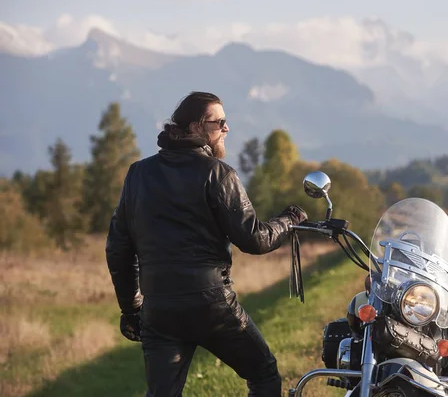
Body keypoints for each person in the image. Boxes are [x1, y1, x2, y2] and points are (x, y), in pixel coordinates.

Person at [105, 91, 308, 397]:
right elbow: (254, 239)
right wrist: (289, 220)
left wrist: (131, 308)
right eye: (219, 122)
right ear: (195, 127)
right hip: (210, 302)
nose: (226, 128)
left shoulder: (138, 173)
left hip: (159, 306)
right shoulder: (218, 173)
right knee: (264, 373)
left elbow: (118, 248)